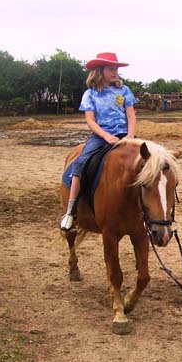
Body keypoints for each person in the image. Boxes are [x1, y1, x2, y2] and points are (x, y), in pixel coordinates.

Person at [60, 52, 137, 231]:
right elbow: (90, 121)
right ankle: (71, 211)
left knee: (148, 164)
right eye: (111, 68)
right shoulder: (90, 94)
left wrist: (130, 136)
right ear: (99, 71)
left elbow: (131, 116)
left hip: (126, 135)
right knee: (80, 163)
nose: (115, 72)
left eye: (116, 68)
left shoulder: (124, 91)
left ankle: (146, 213)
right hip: (101, 136)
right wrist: (105, 136)